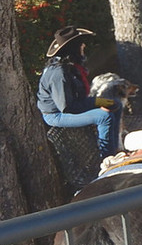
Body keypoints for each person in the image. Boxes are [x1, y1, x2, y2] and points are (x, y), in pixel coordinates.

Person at [37, 26, 123, 159]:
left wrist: (102, 103)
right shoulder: (59, 74)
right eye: (80, 44)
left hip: (76, 103)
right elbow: (67, 107)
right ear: (73, 49)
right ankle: (108, 158)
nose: (83, 45)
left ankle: (116, 147)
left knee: (115, 103)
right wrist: (98, 108)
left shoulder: (69, 65)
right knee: (103, 117)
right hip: (56, 114)